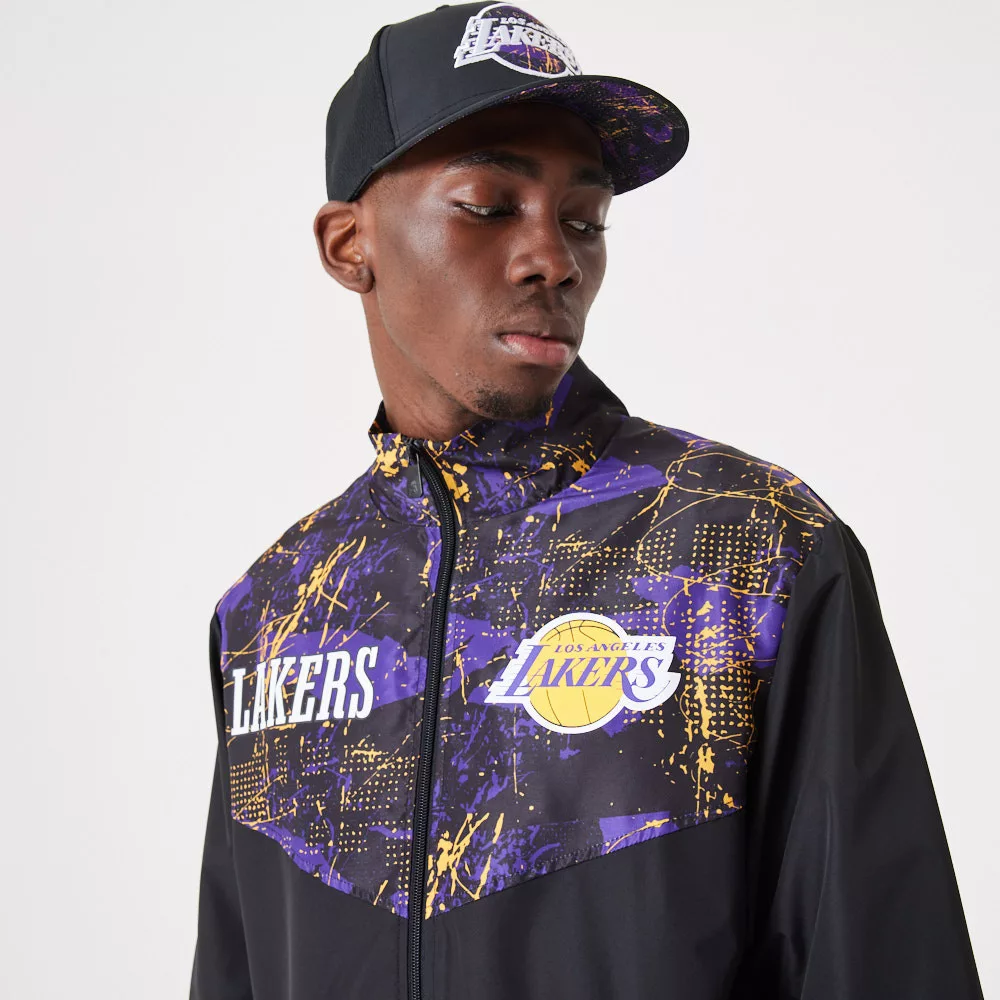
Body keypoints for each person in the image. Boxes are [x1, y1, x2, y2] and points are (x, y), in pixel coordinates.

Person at [189, 4, 983, 999]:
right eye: (488, 204)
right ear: (350, 244)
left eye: (583, 221)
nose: (554, 259)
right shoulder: (277, 609)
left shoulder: (746, 551)